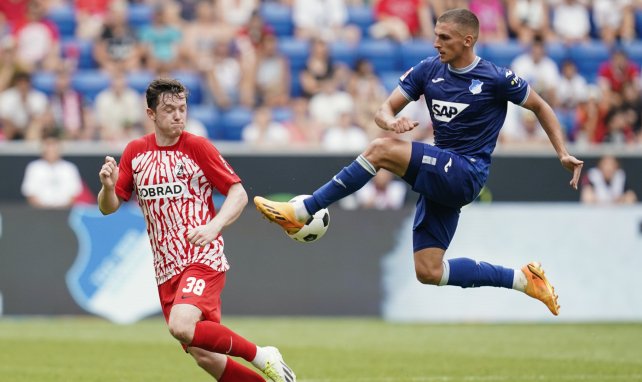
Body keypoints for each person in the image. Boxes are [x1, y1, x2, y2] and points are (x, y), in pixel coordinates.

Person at [254, 9, 584, 317]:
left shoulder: (496, 78)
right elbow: (385, 109)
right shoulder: (428, 70)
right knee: (429, 271)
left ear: (468, 40)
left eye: (445, 38)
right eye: (436, 35)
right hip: (442, 174)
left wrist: (562, 151)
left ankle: (302, 211)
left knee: (380, 151)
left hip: (466, 172)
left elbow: (540, 106)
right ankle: (523, 279)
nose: (436, 42)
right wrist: (389, 121)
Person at [97, 78, 295, 382]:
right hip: (166, 269)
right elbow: (108, 207)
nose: (178, 115)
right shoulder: (135, 152)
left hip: (202, 258)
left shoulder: (197, 147)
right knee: (205, 356)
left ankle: (262, 354)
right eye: (170, 110)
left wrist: (213, 227)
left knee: (181, 326)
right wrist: (107, 187)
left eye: (182, 108)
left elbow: (238, 193)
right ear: (150, 114)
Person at [21, 132, 83, 208]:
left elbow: (74, 194)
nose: (51, 149)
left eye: (54, 145)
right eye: (48, 145)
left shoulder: (70, 168)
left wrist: (61, 209)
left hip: (64, 213)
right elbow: (30, 193)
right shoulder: (34, 167)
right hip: (39, 213)